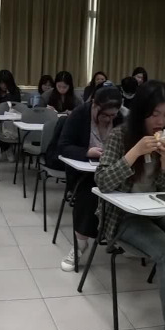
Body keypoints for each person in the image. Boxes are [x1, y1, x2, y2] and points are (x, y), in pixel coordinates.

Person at [95, 83, 165, 330]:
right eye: (155, 114)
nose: (160, 121)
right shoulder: (120, 135)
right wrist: (134, 153)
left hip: (155, 211)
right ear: (142, 112)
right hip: (123, 216)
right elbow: (103, 181)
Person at [57, 86, 123, 271]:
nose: (109, 119)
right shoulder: (79, 115)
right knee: (90, 192)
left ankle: (120, 237)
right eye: (105, 115)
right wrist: (87, 152)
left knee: (128, 191)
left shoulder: (120, 119)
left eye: (113, 115)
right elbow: (63, 146)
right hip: (83, 173)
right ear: (94, 105)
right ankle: (80, 245)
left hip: (112, 171)